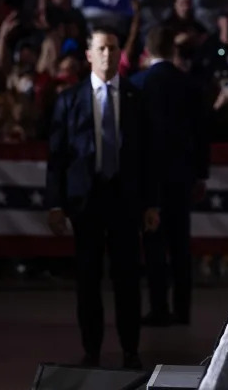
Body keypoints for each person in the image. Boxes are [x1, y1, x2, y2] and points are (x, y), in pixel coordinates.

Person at [45, 27, 158, 369]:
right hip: (86, 202)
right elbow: (57, 158)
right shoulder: (69, 99)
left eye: (112, 48)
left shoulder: (137, 99)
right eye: (101, 48)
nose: (107, 54)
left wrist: (151, 203)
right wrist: (55, 204)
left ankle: (130, 349)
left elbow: (148, 156)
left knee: (127, 279)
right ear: (89, 55)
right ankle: (91, 349)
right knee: (88, 279)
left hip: (125, 201)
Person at [130, 26, 209, 327]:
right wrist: (200, 174)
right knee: (180, 244)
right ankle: (183, 310)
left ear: (147, 51)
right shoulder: (189, 85)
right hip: (182, 176)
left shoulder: (137, 84)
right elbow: (202, 134)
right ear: (172, 49)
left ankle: (159, 308)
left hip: (148, 178)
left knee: (153, 243)